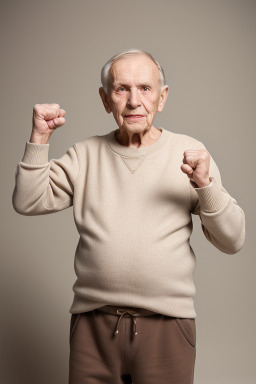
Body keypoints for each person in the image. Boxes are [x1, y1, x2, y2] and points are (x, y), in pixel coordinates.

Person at [12, 49, 245, 384]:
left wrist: (205, 184)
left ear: (162, 97)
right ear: (106, 100)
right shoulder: (85, 155)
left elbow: (233, 240)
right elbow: (27, 199)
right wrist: (40, 137)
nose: (135, 101)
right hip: (93, 328)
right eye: (122, 89)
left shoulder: (191, 154)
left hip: (168, 327)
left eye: (145, 89)